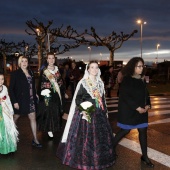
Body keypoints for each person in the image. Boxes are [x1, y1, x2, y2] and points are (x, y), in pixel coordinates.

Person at [57, 60, 116, 170]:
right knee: (86, 140)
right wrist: (82, 110)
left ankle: (98, 160)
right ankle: (85, 160)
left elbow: (102, 99)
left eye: (96, 67)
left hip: (99, 114)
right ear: (88, 69)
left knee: (100, 139)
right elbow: (78, 98)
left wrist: (105, 111)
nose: (94, 69)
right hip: (87, 114)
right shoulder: (83, 82)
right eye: (92, 67)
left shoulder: (100, 83)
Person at [113, 57, 154, 168]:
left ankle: (145, 156)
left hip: (142, 111)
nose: (141, 68)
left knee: (143, 131)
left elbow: (146, 93)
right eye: (139, 66)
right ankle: (111, 148)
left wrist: (147, 104)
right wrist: (137, 108)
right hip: (130, 111)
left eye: (142, 66)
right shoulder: (127, 79)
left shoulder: (142, 79)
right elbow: (125, 96)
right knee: (125, 130)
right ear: (133, 67)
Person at [9, 56, 42, 148]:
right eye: (22, 61)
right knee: (15, 117)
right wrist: (15, 101)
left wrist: (35, 94)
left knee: (33, 117)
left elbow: (32, 85)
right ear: (19, 63)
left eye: (26, 61)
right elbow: (11, 89)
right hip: (20, 100)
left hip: (31, 99)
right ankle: (11, 136)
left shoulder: (31, 72)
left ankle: (35, 139)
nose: (24, 63)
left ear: (28, 63)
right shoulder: (15, 73)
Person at [37, 52, 65, 138]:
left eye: (53, 58)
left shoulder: (57, 69)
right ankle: (49, 129)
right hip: (47, 94)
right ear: (47, 59)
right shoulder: (44, 70)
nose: (51, 60)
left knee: (56, 111)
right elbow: (40, 83)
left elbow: (61, 82)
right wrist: (40, 94)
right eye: (49, 58)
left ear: (54, 59)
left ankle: (54, 127)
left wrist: (64, 92)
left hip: (56, 94)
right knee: (48, 112)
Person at [0, 72, 18, 154]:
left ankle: (7, 147)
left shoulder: (4, 88)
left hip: (5, 111)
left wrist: (11, 111)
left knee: (7, 128)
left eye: (2, 79)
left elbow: (8, 100)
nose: (1, 81)